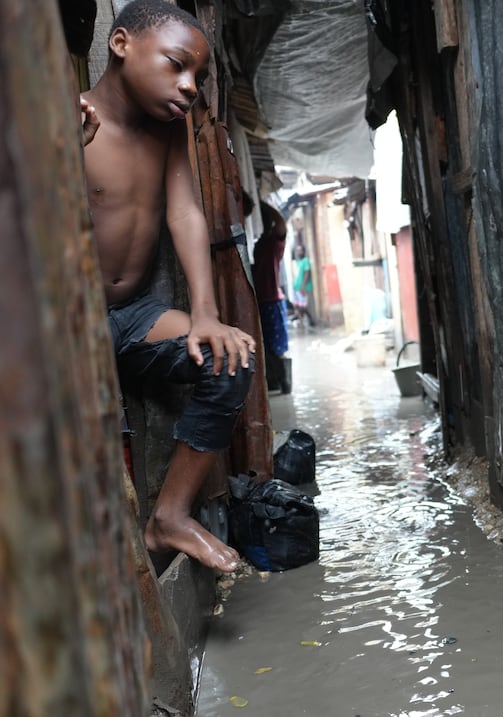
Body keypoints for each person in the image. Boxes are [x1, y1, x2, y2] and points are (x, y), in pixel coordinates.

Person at [81, 0, 254, 573]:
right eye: (177, 65)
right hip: (58, 328)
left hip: (130, 316)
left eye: (198, 77)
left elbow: (184, 213)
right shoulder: (70, 121)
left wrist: (204, 312)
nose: (189, 87)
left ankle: (169, 517)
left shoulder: (169, 129)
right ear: (121, 43)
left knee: (228, 360)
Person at [250, 195, 290, 393]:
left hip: (271, 300)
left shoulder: (274, 242)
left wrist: (262, 203)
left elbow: (282, 224)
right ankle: (275, 381)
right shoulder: (258, 245)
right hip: (261, 300)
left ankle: (283, 382)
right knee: (266, 345)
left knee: (276, 346)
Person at [291, 242, 316, 329]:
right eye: (297, 251)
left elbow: (307, 273)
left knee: (303, 306)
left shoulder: (305, 261)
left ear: (303, 251)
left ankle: (310, 319)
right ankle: (301, 321)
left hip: (302, 288)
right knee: (297, 305)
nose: (298, 252)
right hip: (296, 287)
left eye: (300, 250)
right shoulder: (298, 262)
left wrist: (303, 286)